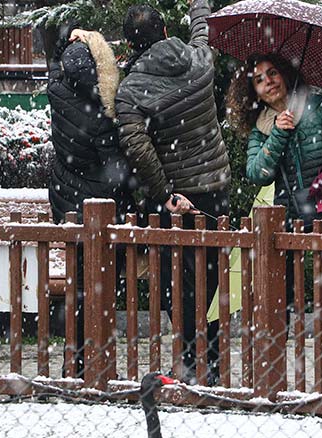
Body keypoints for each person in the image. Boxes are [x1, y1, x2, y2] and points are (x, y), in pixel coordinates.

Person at [227, 54, 322, 386]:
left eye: (272, 73)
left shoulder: (321, 108)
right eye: (259, 79)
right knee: (282, 293)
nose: (268, 81)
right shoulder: (262, 127)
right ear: (254, 92)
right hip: (289, 219)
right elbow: (257, 172)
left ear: (286, 75)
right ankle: (273, 372)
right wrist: (279, 134)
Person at [114, 0, 229, 385]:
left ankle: (188, 362)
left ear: (130, 46)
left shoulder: (131, 89)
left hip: (178, 198)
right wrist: (200, 6)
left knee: (175, 285)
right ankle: (209, 362)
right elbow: (203, 32)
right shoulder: (199, 59)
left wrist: (164, 193)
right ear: (165, 32)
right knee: (210, 280)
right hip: (215, 189)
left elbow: (137, 145)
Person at [49, 24, 133, 378]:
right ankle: (95, 360)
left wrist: (71, 40)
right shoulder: (102, 113)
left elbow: (55, 61)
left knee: (80, 284)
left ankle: (79, 359)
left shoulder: (57, 91)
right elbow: (116, 161)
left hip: (68, 204)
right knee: (102, 287)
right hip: (100, 204)